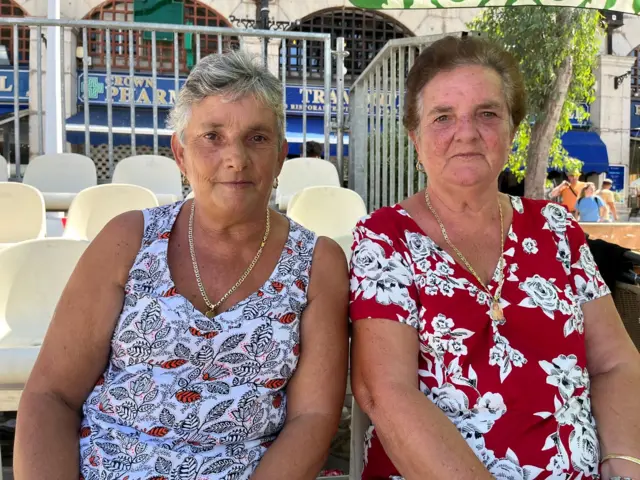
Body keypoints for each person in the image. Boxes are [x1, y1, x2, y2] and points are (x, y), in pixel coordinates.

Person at [14, 51, 349, 479]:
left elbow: (314, 418)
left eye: (257, 138)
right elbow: (51, 396)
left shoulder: (317, 263)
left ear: (281, 156)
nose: (236, 159)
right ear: (180, 153)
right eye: (212, 136)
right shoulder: (128, 239)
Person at [349, 35, 640, 480]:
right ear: (415, 138)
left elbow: (617, 363)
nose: (466, 132)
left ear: (511, 131)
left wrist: (623, 465)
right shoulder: (386, 238)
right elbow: (384, 394)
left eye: (487, 114)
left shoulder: (556, 229)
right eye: (443, 117)